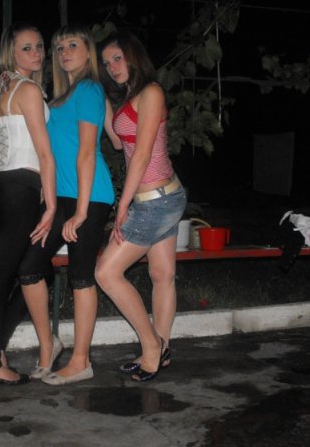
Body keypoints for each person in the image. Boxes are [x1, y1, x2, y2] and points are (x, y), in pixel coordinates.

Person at [19, 25, 114, 385]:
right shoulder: (59, 97)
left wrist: (82, 212)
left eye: (73, 45)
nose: (64, 52)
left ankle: (81, 361)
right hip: (62, 198)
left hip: (91, 195)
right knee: (29, 267)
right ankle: (49, 345)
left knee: (81, 275)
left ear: (89, 52)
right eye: (59, 48)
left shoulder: (88, 89)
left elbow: (87, 152)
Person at [95, 29, 187, 382]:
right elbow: (120, 144)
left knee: (106, 272)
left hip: (155, 201)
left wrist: (123, 205)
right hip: (163, 197)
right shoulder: (130, 98)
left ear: (133, 56)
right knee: (161, 275)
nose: (112, 67)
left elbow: (143, 154)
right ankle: (162, 350)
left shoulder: (151, 92)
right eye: (107, 63)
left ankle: (151, 346)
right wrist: (105, 102)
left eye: (117, 58)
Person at [0, 22, 56, 386]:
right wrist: (50, 204)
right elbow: (44, 153)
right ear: (12, 52)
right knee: (3, 276)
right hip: (21, 189)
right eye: (27, 48)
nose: (36, 53)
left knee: (33, 268)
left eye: (39, 46)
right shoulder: (28, 90)